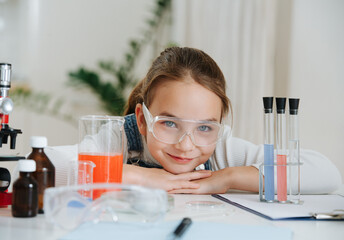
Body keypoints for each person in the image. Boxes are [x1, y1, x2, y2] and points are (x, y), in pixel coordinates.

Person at [120, 46, 342, 194]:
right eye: (169, 123)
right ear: (142, 119)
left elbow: (327, 173)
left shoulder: (220, 151)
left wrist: (228, 177)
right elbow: (84, 168)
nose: (186, 146)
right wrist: (140, 176)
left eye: (205, 127)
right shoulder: (119, 139)